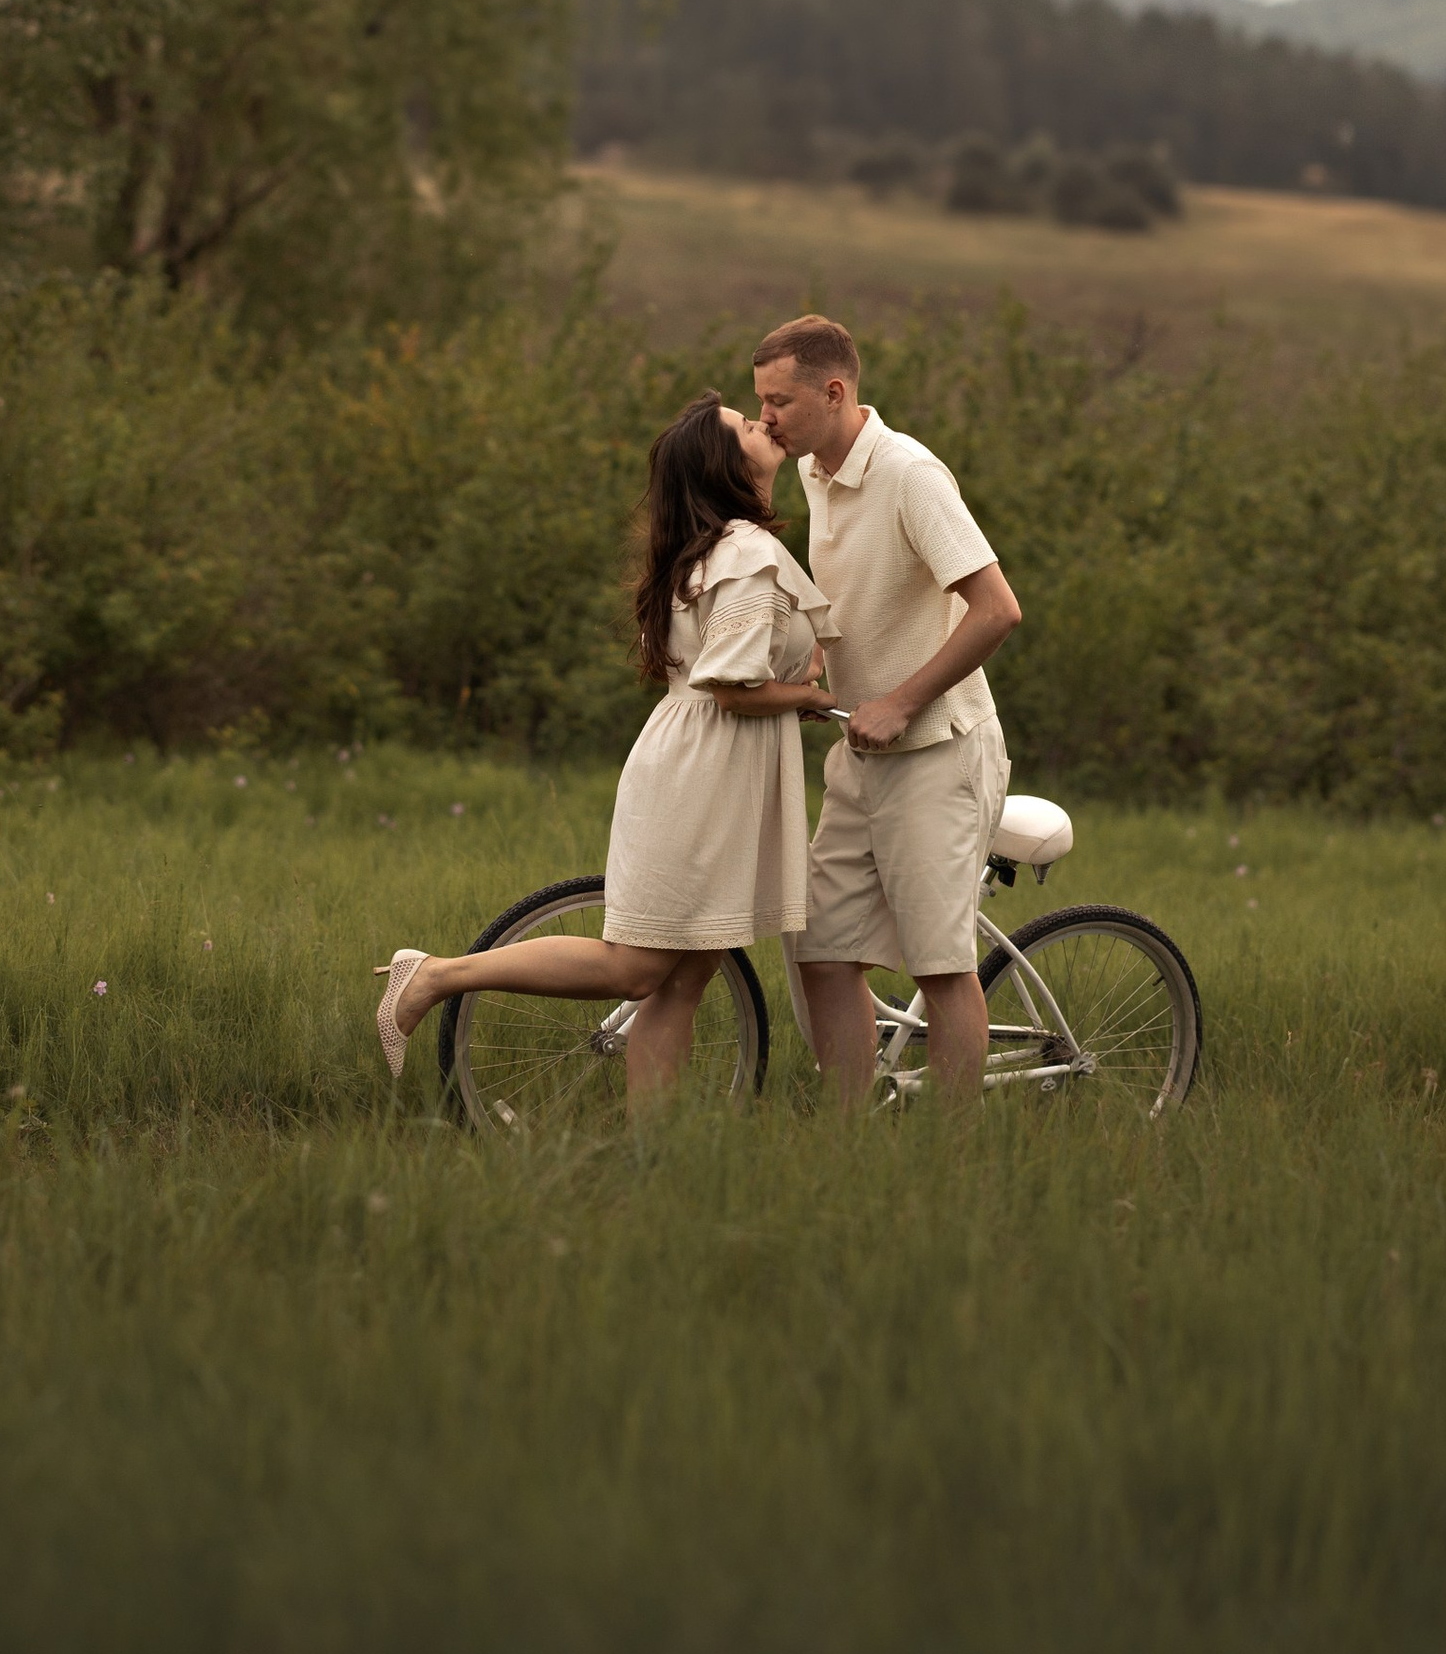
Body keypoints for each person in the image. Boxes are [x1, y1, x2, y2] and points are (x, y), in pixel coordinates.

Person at [376, 393, 838, 1114]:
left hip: (711, 765)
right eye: (745, 425)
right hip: (706, 775)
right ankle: (435, 975)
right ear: (724, 465)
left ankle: (655, 1155)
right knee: (636, 969)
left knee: (682, 981)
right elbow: (734, 691)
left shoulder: (718, 549)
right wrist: (806, 699)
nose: (763, 422)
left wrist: (791, 689)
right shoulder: (746, 555)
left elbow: (735, 675)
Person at [751, 314, 1022, 1110]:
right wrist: (820, 661)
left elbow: (997, 609)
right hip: (861, 753)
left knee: (940, 967)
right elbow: (863, 594)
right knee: (822, 953)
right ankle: (847, 1141)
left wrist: (901, 701)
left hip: (938, 750)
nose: (766, 418)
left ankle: (950, 1157)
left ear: (834, 393)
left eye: (780, 402)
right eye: (760, 401)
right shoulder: (813, 470)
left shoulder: (909, 474)